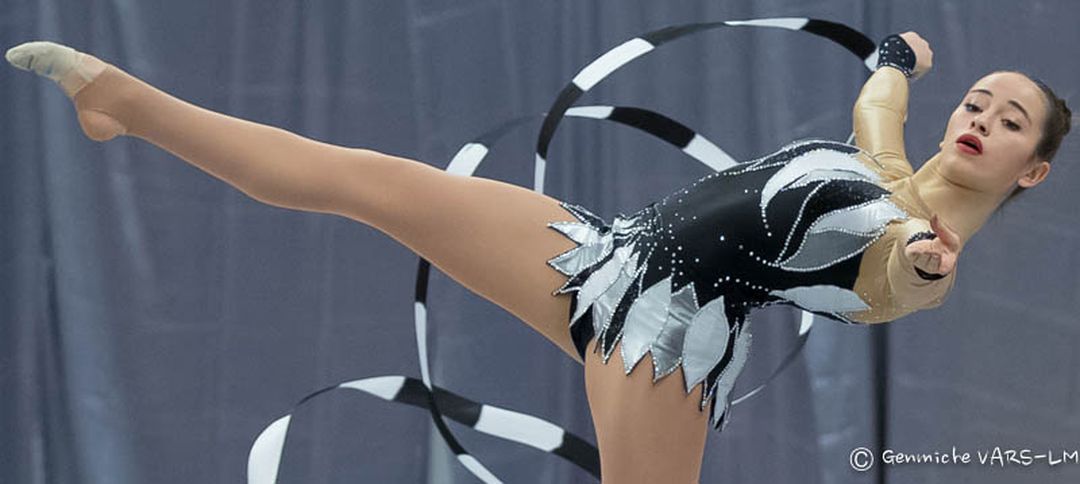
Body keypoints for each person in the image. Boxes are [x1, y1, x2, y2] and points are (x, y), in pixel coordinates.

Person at [5, 28, 1069, 483]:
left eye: (1009, 121)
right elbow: (880, 109)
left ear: (1033, 172)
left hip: (666, 348)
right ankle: (123, 102)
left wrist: (920, 265)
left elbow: (894, 277)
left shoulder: (910, 247)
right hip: (604, 255)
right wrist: (897, 60)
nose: (980, 118)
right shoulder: (887, 163)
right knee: (368, 180)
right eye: (979, 101)